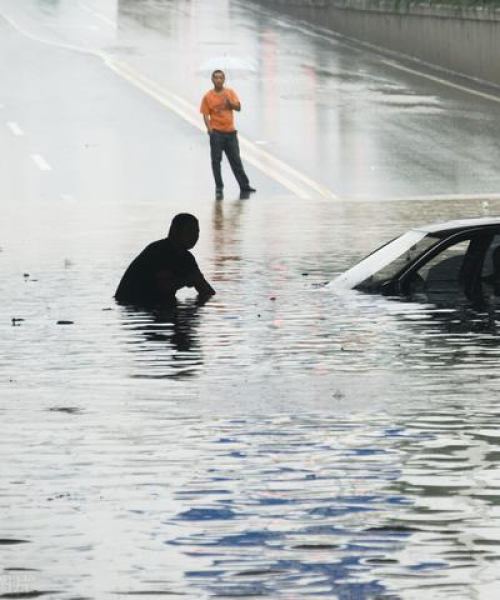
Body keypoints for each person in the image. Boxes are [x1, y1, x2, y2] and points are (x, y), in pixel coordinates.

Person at [115, 213, 215, 305]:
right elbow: (165, 287)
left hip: (156, 305)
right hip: (133, 304)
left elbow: (206, 291)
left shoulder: (187, 257)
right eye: (189, 231)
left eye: (197, 232)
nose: (194, 236)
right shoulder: (158, 251)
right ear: (174, 231)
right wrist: (187, 280)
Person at [200, 69, 256, 199]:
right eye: (216, 78)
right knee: (216, 161)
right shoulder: (208, 96)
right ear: (212, 80)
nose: (218, 80)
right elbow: (205, 115)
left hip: (230, 133)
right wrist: (210, 129)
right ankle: (219, 186)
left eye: (221, 78)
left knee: (236, 160)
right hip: (216, 133)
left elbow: (239, 108)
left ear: (224, 80)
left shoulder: (230, 93)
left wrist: (230, 103)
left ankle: (244, 185)